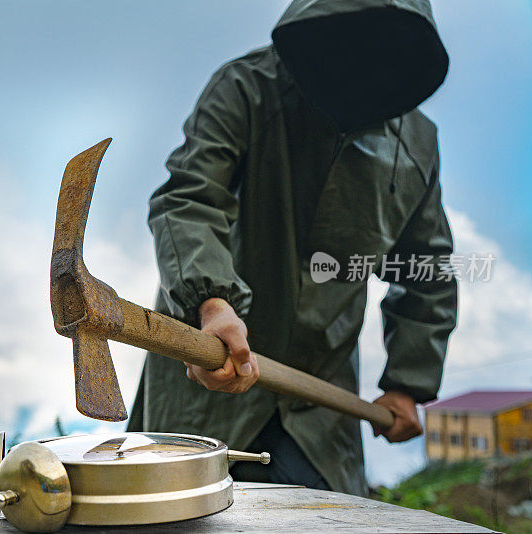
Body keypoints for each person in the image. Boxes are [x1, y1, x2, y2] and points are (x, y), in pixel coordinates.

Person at [127, 0, 458, 496]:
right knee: (170, 514)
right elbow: (190, 200)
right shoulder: (246, 89)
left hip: (321, 409)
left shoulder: (416, 145)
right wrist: (212, 305)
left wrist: (407, 384)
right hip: (210, 374)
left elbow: (425, 268)